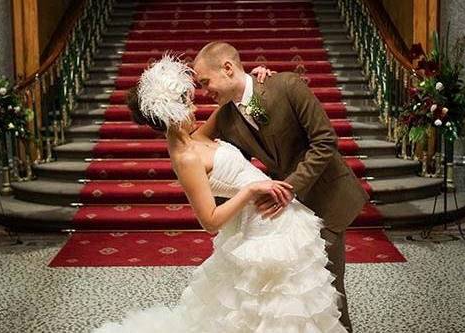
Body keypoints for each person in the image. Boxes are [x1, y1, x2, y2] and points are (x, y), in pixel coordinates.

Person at [92, 55, 348, 332]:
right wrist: (250, 190)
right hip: (261, 229)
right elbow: (210, 221)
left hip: (277, 220)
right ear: (171, 113)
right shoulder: (186, 157)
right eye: (188, 103)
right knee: (275, 310)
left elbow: (238, 100)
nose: (195, 106)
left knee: (293, 307)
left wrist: (257, 78)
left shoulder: (196, 137)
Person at [192, 42, 370, 332]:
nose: (204, 91)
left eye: (205, 82)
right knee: (298, 296)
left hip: (325, 197)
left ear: (227, 68)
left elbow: (324, 142)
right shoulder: (226, 117)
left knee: (328, 287)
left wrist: (289, 188)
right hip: (286, 216)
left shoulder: (286, 85)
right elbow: (216, 155)